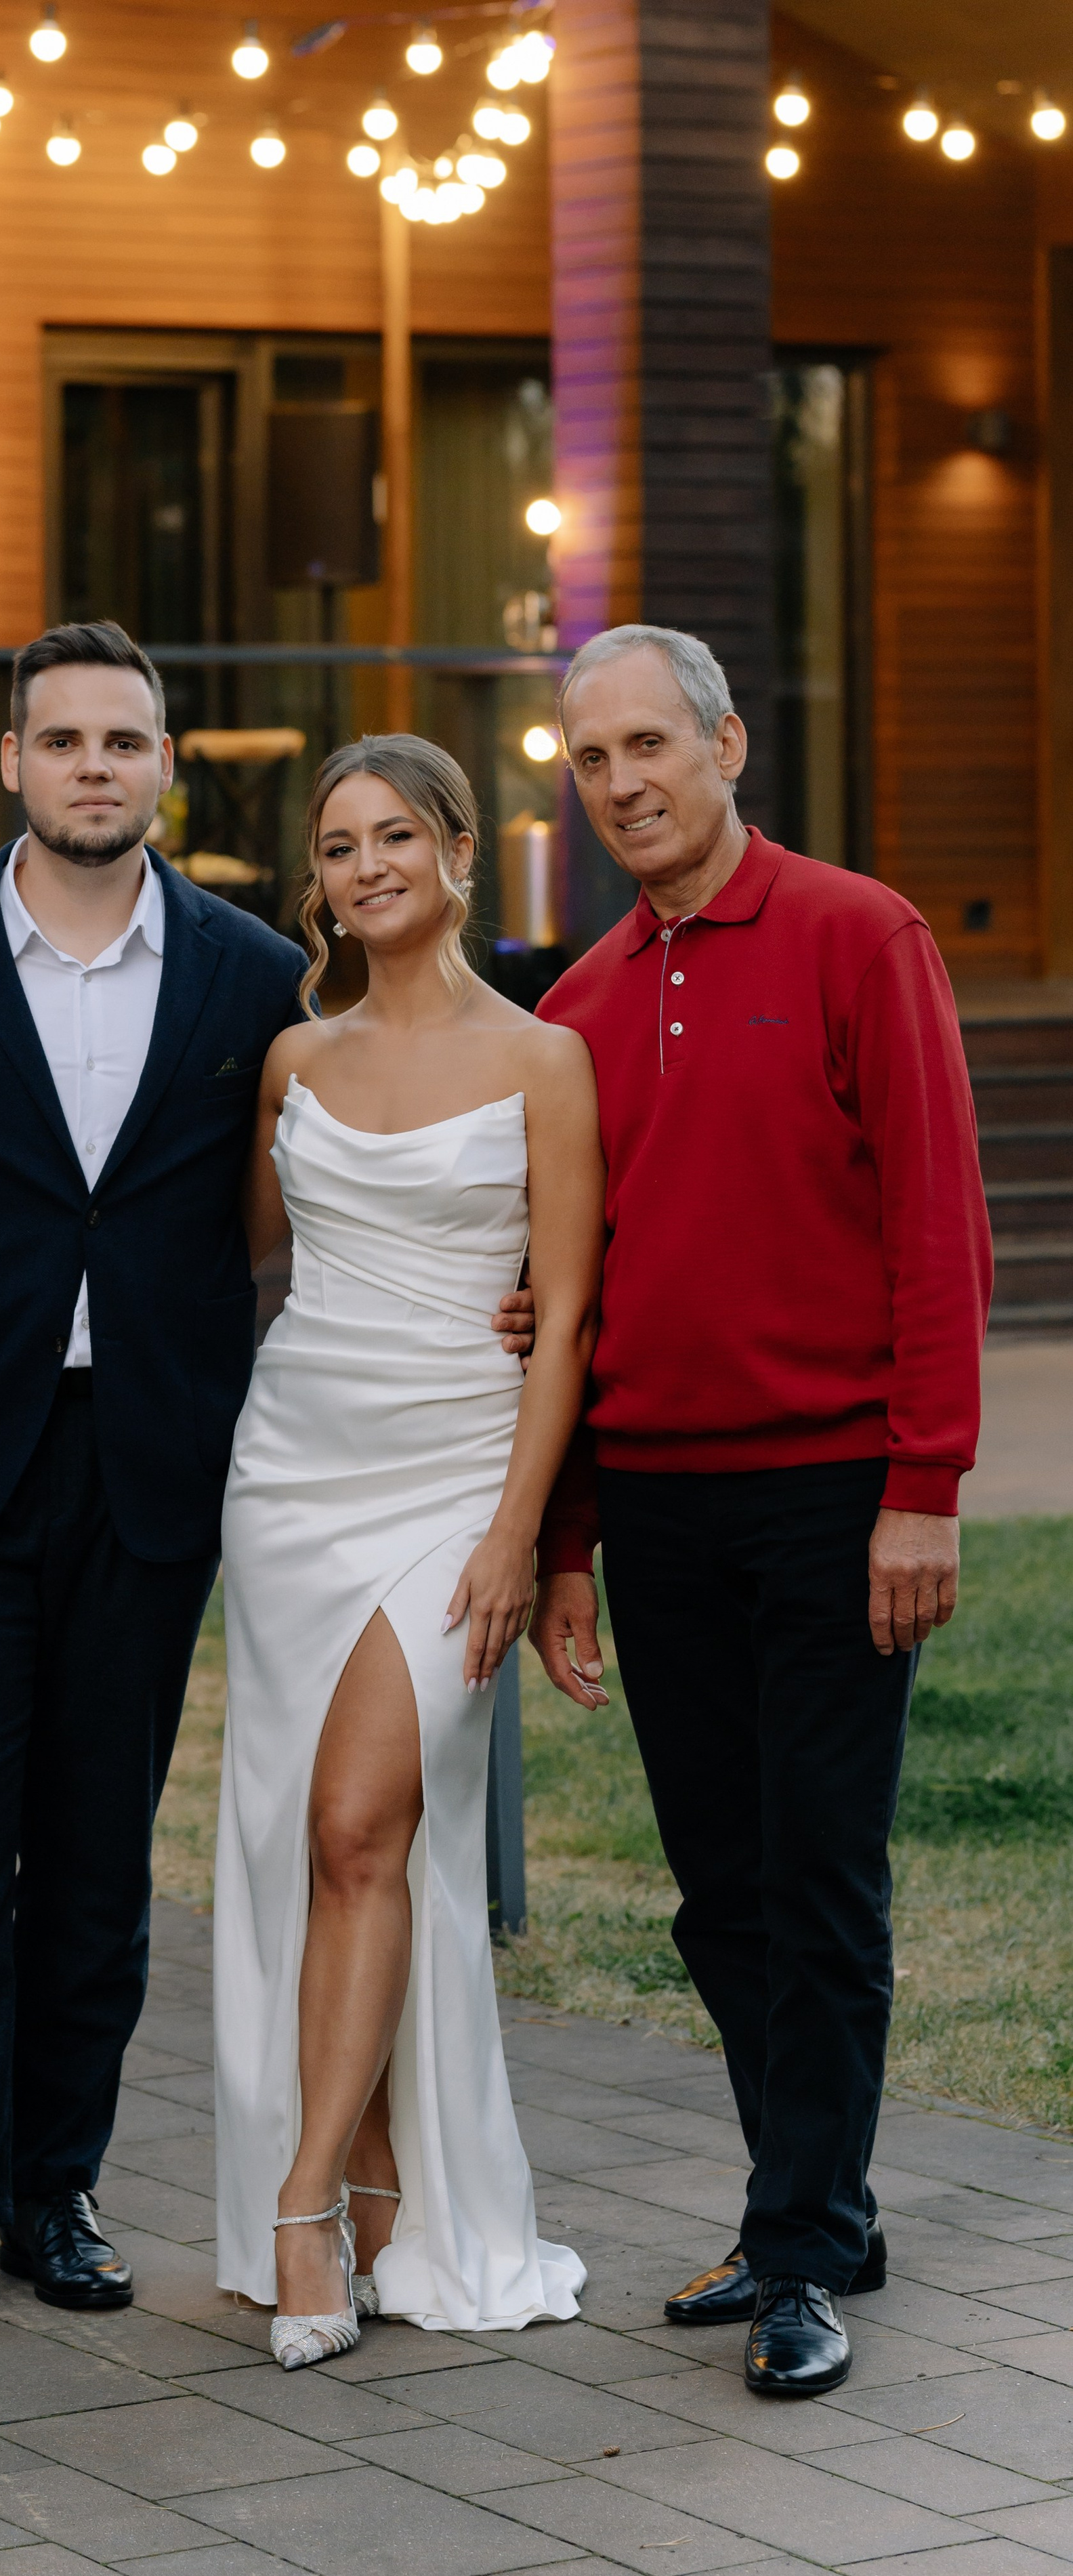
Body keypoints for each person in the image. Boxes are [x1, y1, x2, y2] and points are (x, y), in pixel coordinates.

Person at [0, 620, 318, 2359]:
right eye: (63, 739)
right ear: (8, 763)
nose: (94, 764)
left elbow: (306, 1196)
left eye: (125, 739)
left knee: (98, 1859)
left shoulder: (256, 974)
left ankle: (54, 2190)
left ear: (163, 764)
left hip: (150, 1470)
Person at [525, 625, 991, 2399]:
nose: (625, 781)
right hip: (659, 1504)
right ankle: (827, 2199)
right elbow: (565, 1297)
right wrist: (569, 1540)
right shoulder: (572, 1010)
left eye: (653, 744)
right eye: (591, 757)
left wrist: (925, 1489)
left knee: (821, 1879)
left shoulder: (860, 936)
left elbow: (942, 1222)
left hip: (831, 1500)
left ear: (728, 747)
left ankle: (800, 2248)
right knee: (719, 1893)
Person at [214, 734, 602, 2367]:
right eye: (338, 844)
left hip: (456, 1477)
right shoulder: (293, 1063)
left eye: (394, 836)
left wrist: (519, 1530)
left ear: (455, 851)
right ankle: (371, 2197)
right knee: (311, 1846)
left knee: (360, 1816)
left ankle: (299, 2203)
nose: (366, 864)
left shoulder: (546, 1060)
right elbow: (257, 1264)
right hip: (294, 1469)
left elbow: (568, 1308)